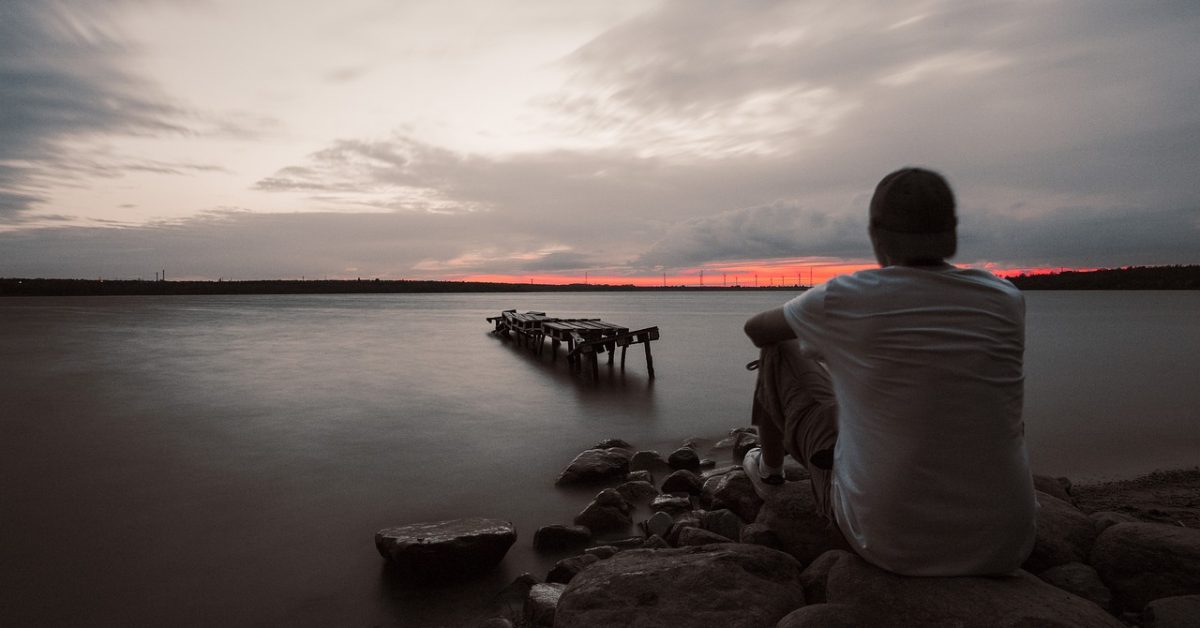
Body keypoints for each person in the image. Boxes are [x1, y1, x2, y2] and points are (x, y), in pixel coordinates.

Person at [741, 167, 1037, 577]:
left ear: (877, 235)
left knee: (778, 348)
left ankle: (769, 473)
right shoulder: (1005, 298)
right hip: (1005, 544)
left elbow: (756, 330)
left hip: (888, 541)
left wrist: (832, 348)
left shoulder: (847, 297)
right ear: (950, 232)